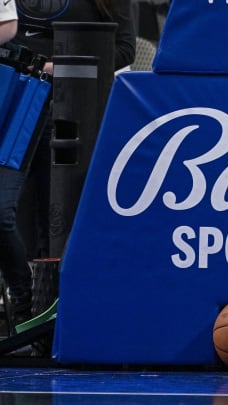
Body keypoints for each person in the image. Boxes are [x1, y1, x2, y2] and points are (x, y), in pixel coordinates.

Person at [0, 0, 135, 328]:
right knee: (8, 213)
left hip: (72, 104)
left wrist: (62, 69)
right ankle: (23, 300)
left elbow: (124, 49)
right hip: (10, 97)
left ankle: (49, 314)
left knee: (59, 219)